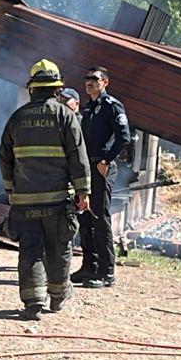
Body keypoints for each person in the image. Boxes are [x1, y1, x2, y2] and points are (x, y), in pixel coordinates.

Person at [0, 60, 89, 321]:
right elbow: (78, 157)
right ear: (56, 90)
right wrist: (83, 192)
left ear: (32, 89)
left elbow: (4, 155)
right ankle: (58, 296)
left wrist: (10, 188)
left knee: (30, 249)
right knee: (59, 246)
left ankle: (33, 302)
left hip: (25, 200)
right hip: (57, 200)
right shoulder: (65, 116)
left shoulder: (17, 118)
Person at [74, 66, 131, 288]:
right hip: (87, 166)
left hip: (101, 166)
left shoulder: (112, 106)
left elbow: (123, 137)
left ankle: (106, 272)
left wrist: (106, 160)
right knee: (85, 217)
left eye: (94, 79)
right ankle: (90, 266)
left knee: (99, 217)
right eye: (87, 78)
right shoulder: (89, 108)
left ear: (105, 82)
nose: (89, 82)